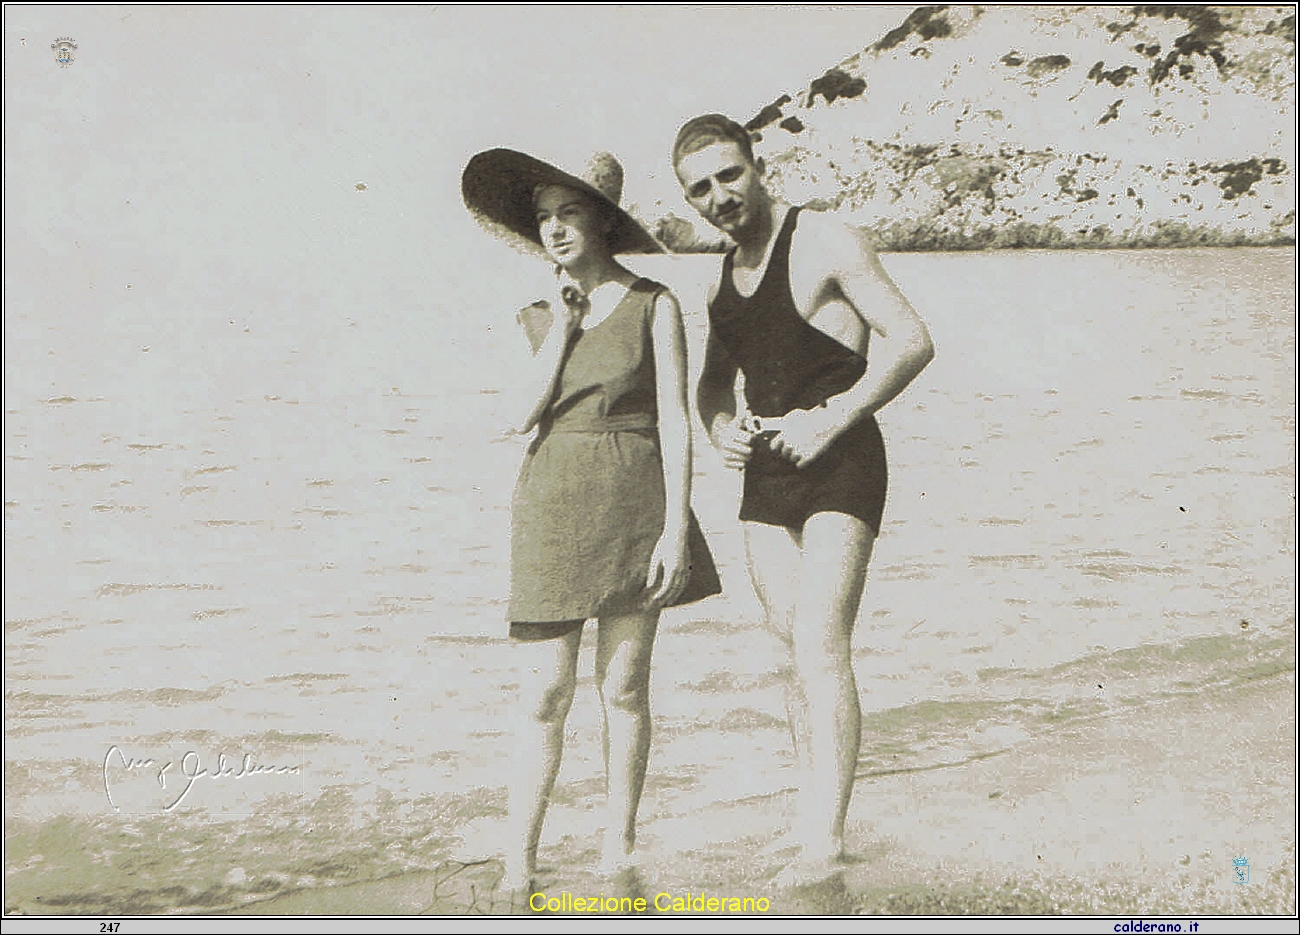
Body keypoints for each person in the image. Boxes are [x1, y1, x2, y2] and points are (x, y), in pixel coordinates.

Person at [669, 115, 934, 881]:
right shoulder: (722, 276)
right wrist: (718, 427)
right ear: (689, 201)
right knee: (788, 651)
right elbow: (714, 385)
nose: (719, 195)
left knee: (821, 642)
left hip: (842, 455)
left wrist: (833, 418)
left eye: (729, 174)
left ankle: (828, 838)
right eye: (700, 189)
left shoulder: (826, 239)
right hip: (768, 474)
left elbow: (913, 339)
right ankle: (807, 816)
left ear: (756, 163)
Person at [461, 149, 721, 893]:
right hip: (552, 504)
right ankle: (520, 862)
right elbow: (518, 415)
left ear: (603, 219)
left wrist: (676, 529)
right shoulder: (538, 315)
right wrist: (568, 330)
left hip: (638, 503)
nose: (555, 229)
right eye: (543, 216)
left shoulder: (654, 303)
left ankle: (618, 850)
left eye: (569, 212)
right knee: (543, 693)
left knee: (626, 686)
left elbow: (675, 419)